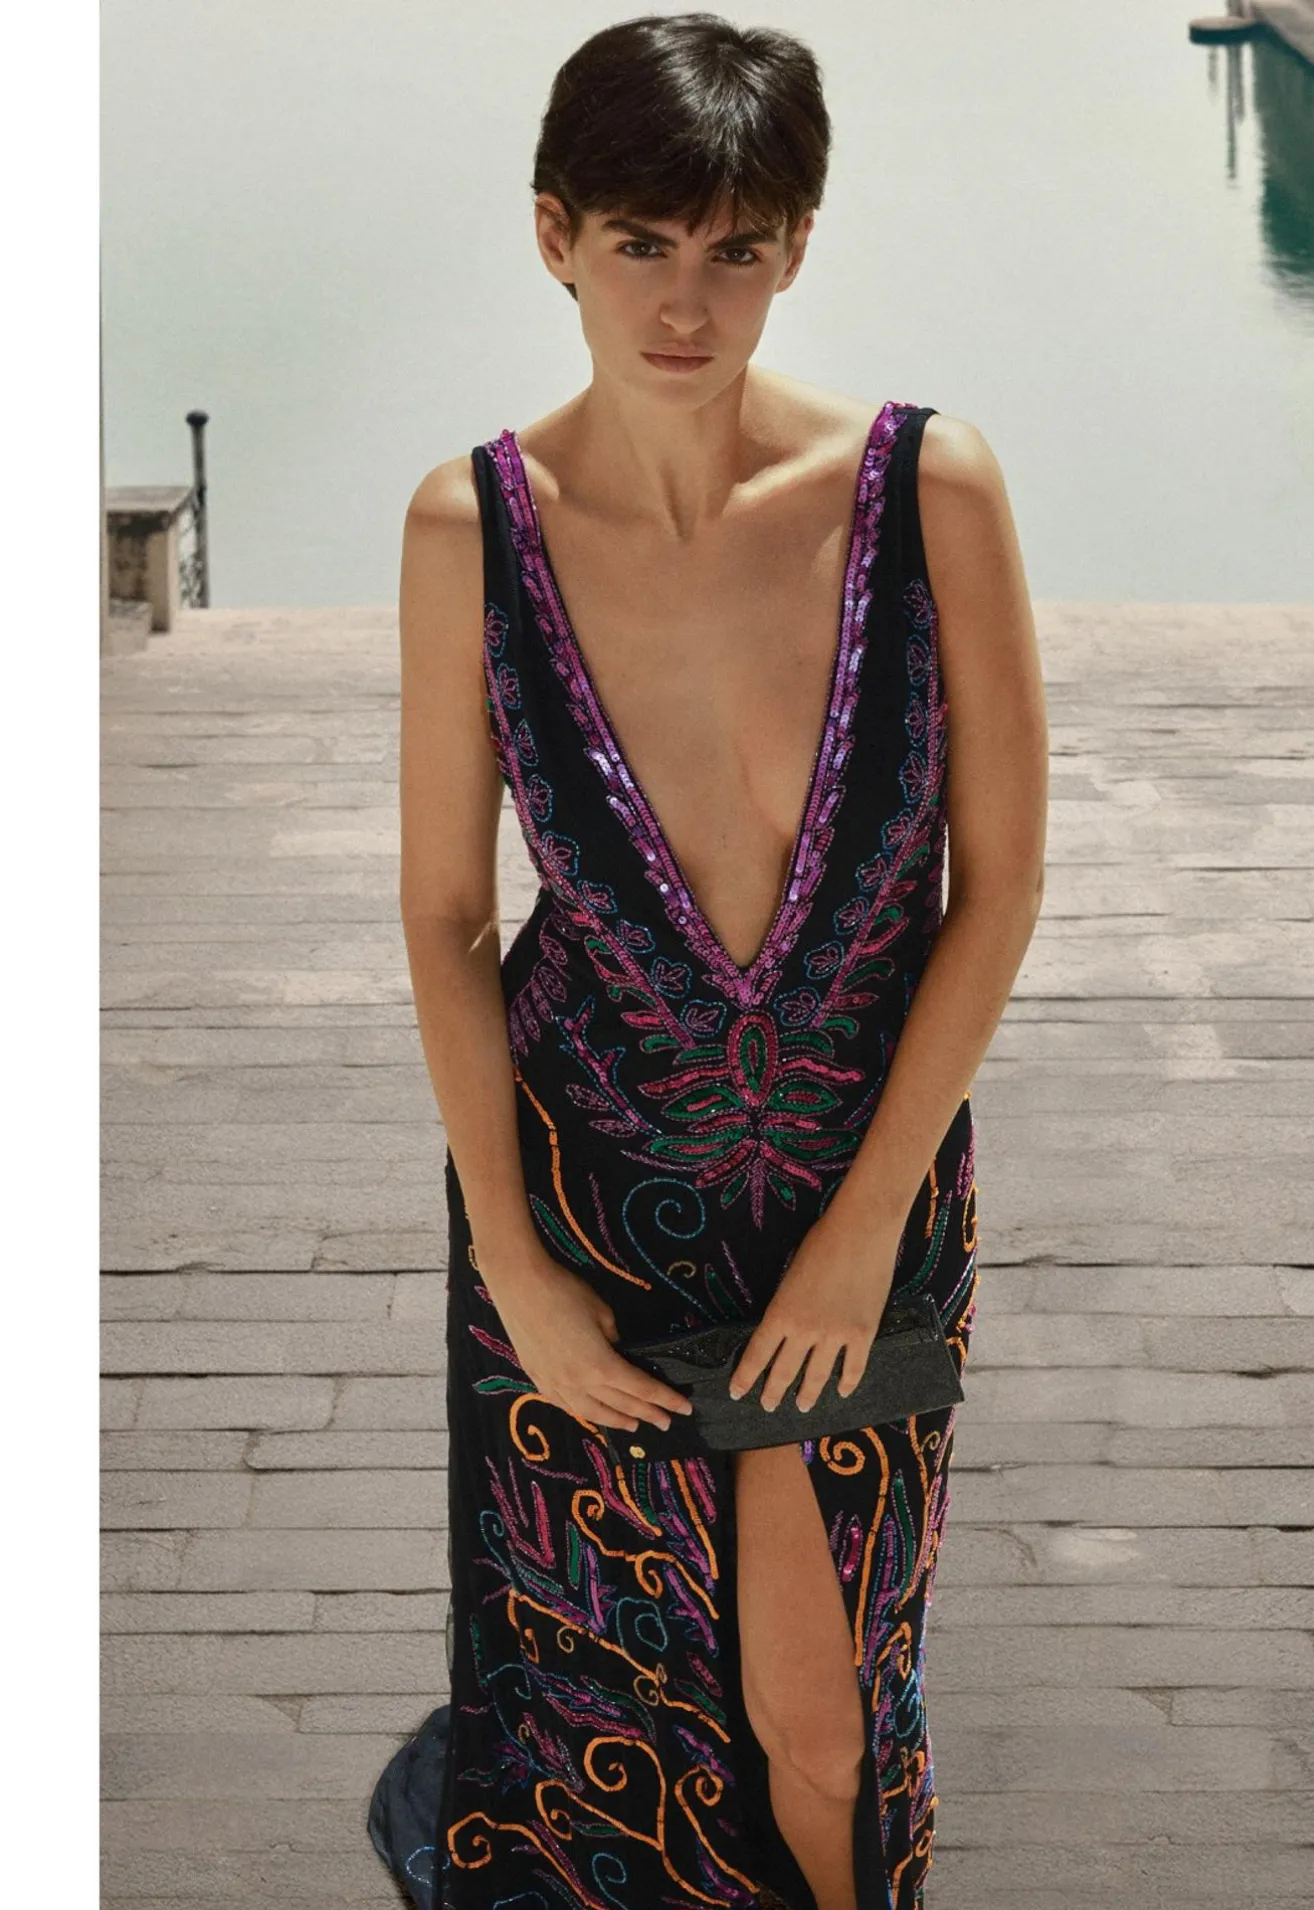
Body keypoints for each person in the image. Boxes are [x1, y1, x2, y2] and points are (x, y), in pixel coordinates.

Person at [387, 14, 1047, 1909]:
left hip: (867, 1189)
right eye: (641, 245)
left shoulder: (929, 491)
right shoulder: (472, 528)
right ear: (556, 236)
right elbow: (445, 913)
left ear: (797, 245)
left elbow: (999, 882)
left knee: (828, 1724)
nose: (687, 302)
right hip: (588, 1205)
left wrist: (865, 1224)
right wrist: (515, 1264)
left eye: (736, 248)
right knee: (613, 1722)